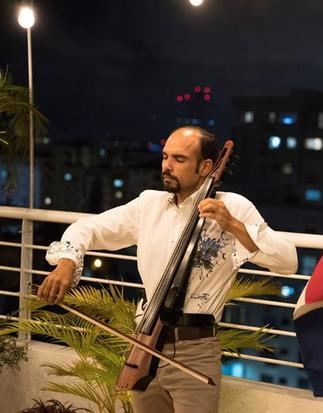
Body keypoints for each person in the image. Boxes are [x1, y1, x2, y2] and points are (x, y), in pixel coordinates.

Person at [37, 126, 298, 413]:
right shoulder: (149, 204)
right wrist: (67, 263)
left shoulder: (232, 207)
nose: (166, 166)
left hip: (195, 353)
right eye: (164, 157)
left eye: (179, 159)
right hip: (145, 343)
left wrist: (233, 226)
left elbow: (288, 261)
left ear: (206, 167)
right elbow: (88, 227)